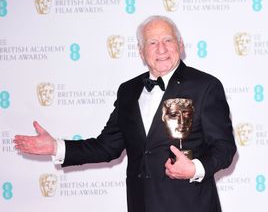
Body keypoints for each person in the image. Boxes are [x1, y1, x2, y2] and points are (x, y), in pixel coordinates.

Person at [14, 15, 237, 212]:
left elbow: (225, 148)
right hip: (141, 205)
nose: (161, 49)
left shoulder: (205, 86)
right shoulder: (128, 91)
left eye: (168, 40)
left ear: (179, 44)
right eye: (152, 42)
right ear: (141, 52)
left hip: (190, 205)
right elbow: (107, 146)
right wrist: (57, 147)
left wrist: (195, 168)